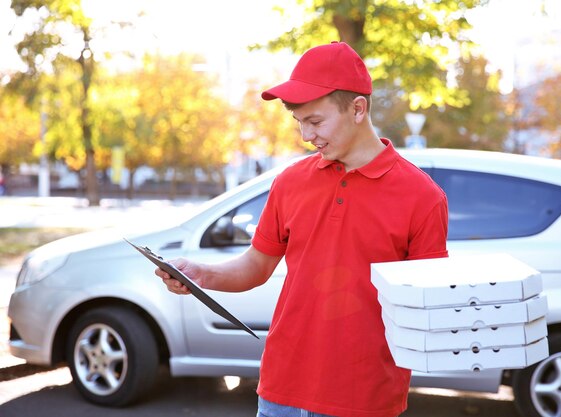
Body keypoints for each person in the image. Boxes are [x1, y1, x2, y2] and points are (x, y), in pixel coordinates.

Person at [155, 41, 449, 417]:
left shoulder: (422, 197)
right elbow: (256, 267)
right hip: (280, 391)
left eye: (315, 122)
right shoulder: (289, 183)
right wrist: (201, 274)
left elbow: (428, 307)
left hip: (364, 399)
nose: (305, 136)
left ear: (358, 109)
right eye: (299, 123)